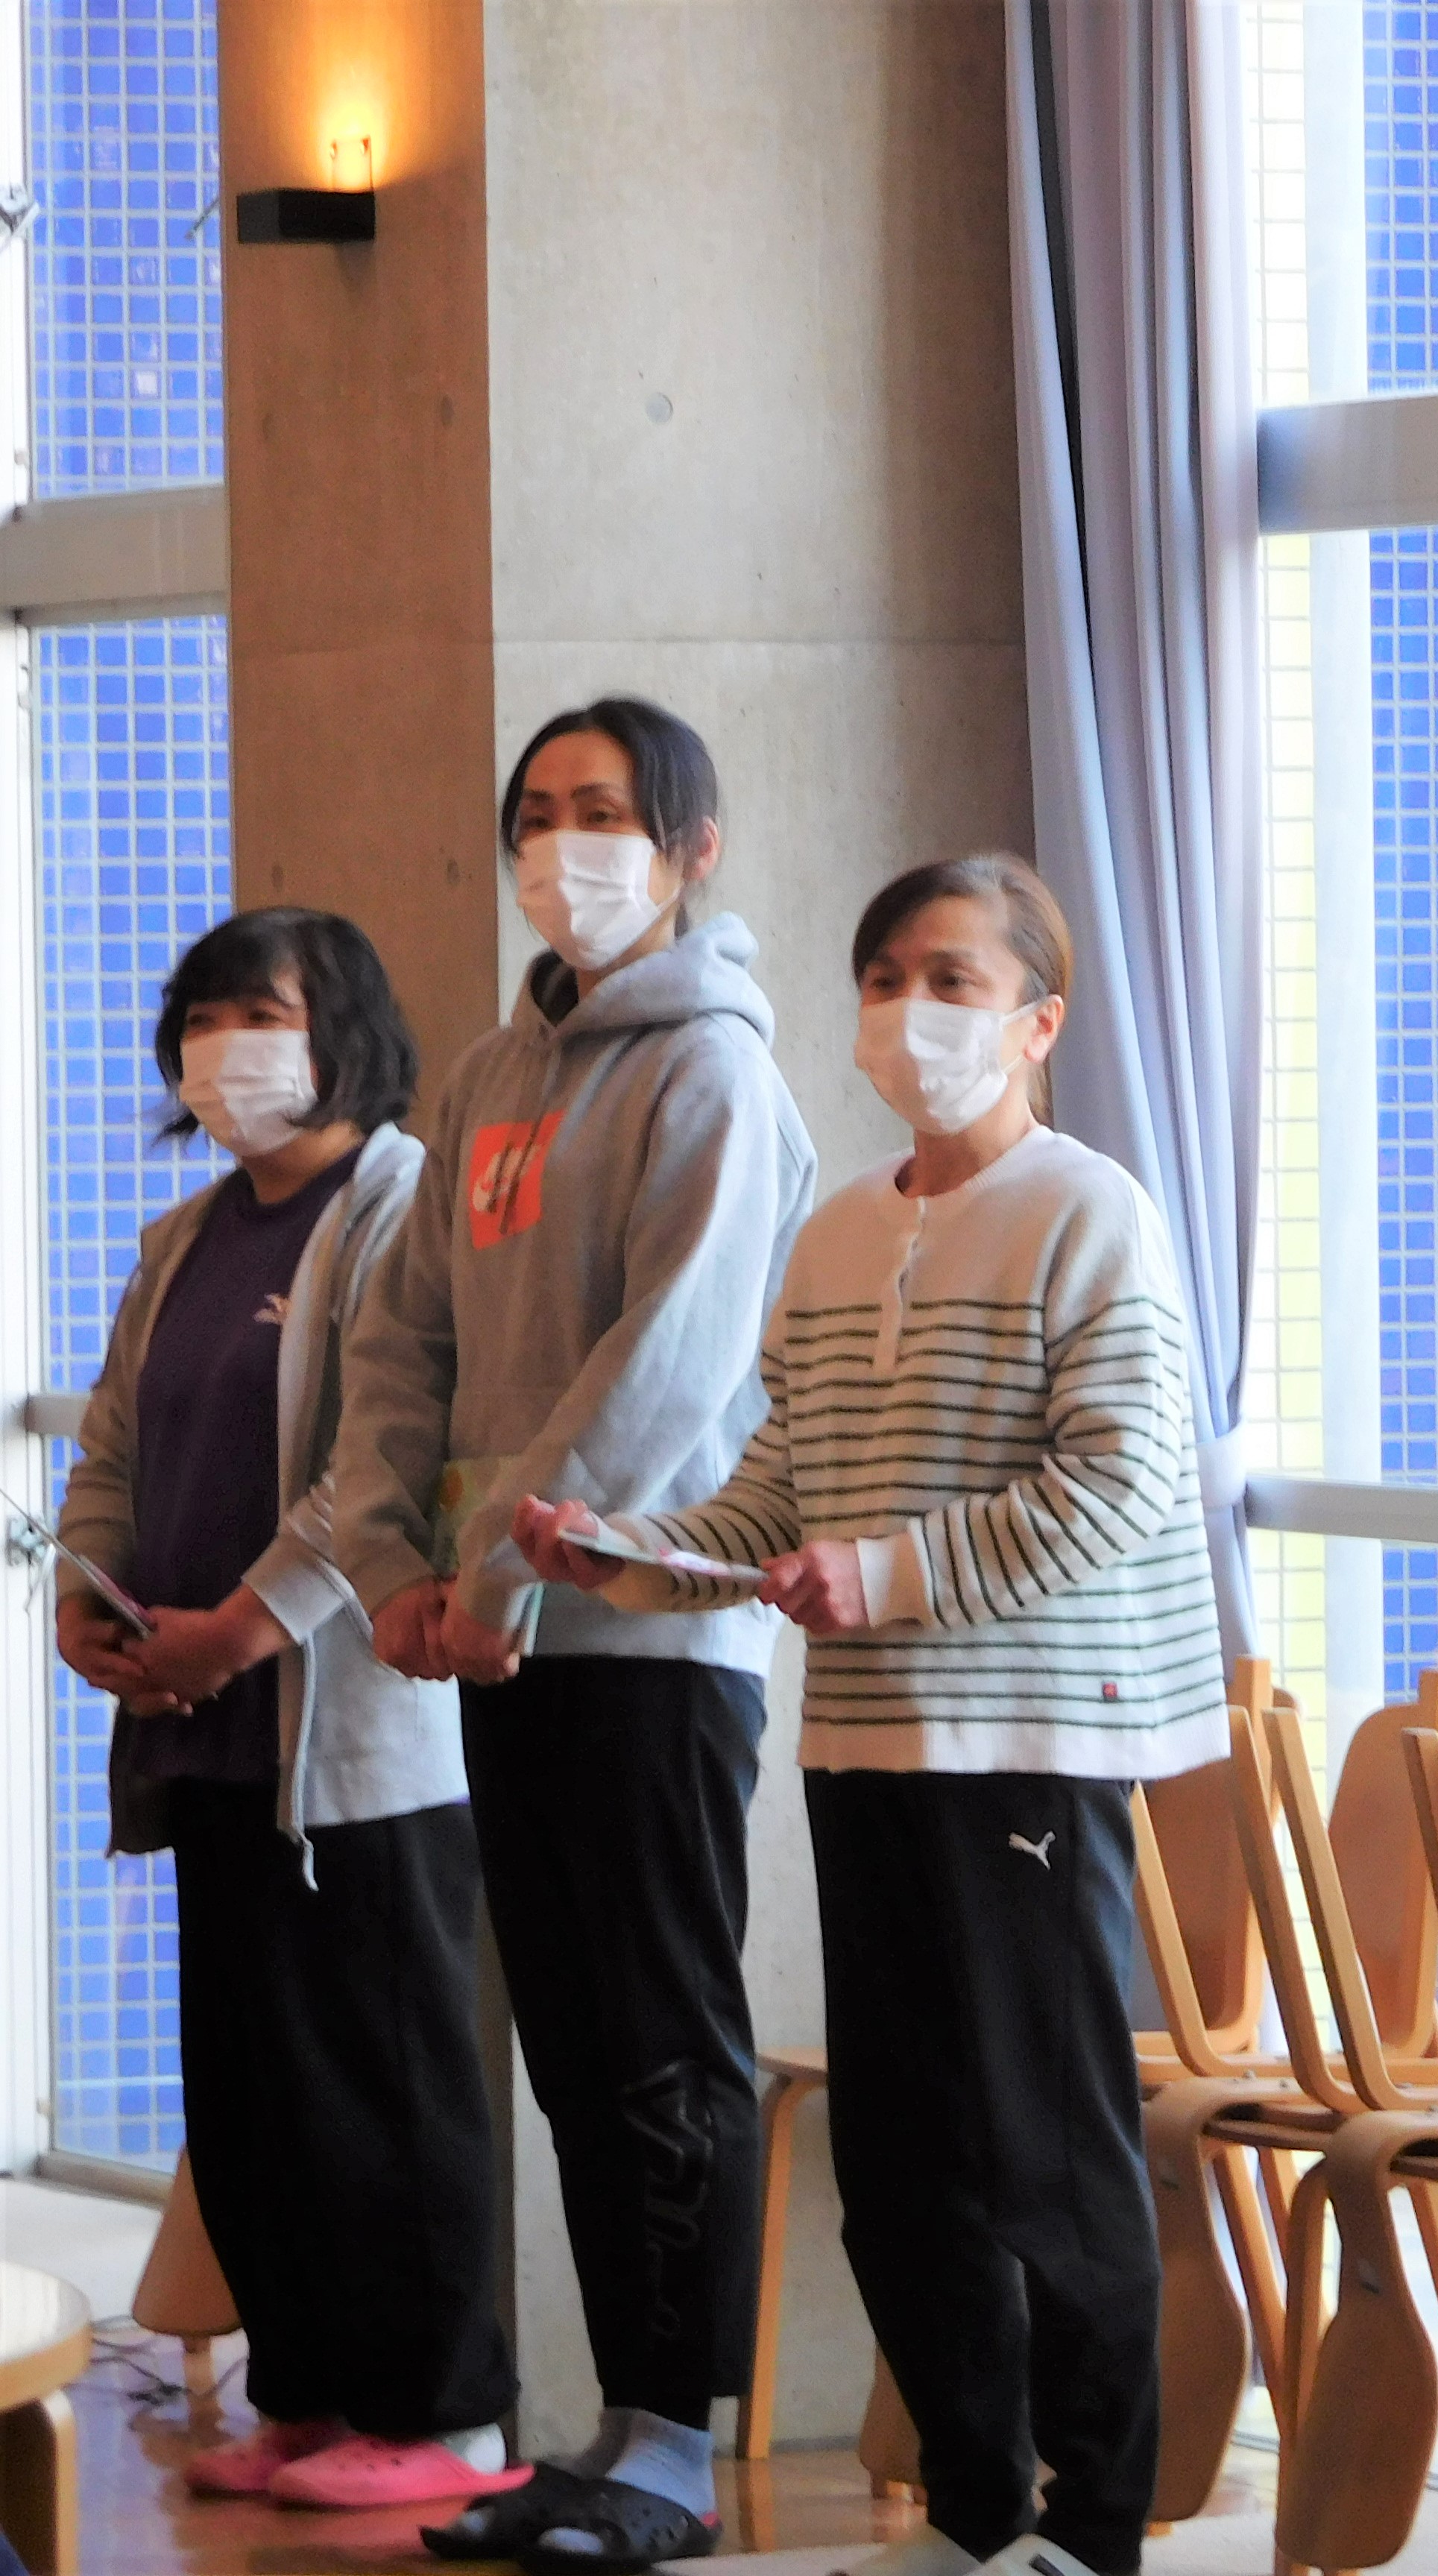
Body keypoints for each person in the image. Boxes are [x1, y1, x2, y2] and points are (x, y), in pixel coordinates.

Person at [509, 854, 1217, 2576]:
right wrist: (627, 1555)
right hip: (865, 1744)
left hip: (1028, 1747)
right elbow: (784, 1490)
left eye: (955, 979)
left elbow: (1125, 1478)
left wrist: (889, 1575)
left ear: (1040, 1020)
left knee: (1049, 2150)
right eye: (888, 975)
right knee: (899, 2166)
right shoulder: (833, 1235)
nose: (912, 1010)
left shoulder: (1091, 1210)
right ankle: (974, 2517)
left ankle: (1093, 2530)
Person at [331, 698, 817, 2572]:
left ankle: (677, 2447)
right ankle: (615, 2427)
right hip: (497, 1635)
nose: (563, 846)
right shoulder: (488, 1077)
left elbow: (668, 1371)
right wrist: (397, 1561)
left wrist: (505, 1571)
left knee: (661, 2043)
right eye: (536, 813)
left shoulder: (716, 1076)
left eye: (603, 812)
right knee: (569, 2048)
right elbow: (405, 1341)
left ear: (693, 849)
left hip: (647, 1643)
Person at [51, 908, 522, 2512]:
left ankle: (445, 2414)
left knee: (382, 2080)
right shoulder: (184, 1237)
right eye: (200, 1019)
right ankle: (309, 2394)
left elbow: (379, 1467)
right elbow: (115, 1442)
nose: (221, 1048)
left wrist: (245, 1630)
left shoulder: (396, 1205)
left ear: (343, 1036)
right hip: (200, 1730)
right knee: (253, 2092)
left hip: (352, 1742)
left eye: (256, 1014)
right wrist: (87, 1594)